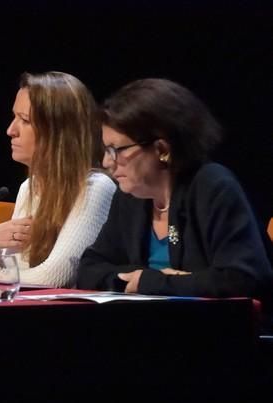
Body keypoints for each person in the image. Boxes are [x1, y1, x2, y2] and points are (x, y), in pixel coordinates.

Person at [77, 78, 273, 298]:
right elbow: (89, 269)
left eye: (116, 150)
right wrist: (147, 278)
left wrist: (154, 282)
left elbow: (244, 278)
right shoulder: (131, 196)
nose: (106, 162)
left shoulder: (213, 186)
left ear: (162, 149)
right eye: (106, 150)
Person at [0, 72, 116, 287]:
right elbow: (12, 273)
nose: (10, 130)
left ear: (58, 131)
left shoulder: (95, 188)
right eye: (14, 117)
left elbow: (54, 277)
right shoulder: (30, 187)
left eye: (24, 120)